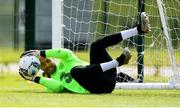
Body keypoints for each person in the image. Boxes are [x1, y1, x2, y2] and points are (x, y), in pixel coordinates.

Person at [19, 12, 150, 94]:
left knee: (95, 46)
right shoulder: (51, 81)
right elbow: (58, 88)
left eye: (47, 60)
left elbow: (64, 52)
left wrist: (40, 52)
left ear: (52, 58)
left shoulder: (66, 60)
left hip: (106, 75)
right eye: (43, 65)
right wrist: (34, 78)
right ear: (41, 69)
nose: (47, 65)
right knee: (75, 72)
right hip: (99, 88)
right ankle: (118, 62)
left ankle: (138, 30)